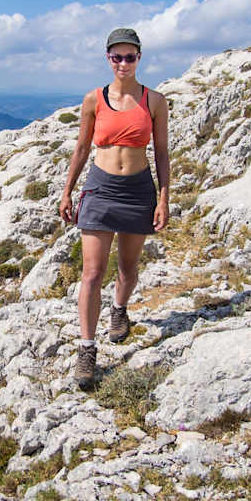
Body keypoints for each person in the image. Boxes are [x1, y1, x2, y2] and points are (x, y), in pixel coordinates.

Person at [59, 27, 170, 390]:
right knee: (92, 273)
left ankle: (119, 310)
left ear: (139, 58)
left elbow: (163, 152)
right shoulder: (94, 99)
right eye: (117, 57)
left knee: (128, 267)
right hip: (100, 188)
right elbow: (80, 148)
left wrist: (165, 197)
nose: (123, 63)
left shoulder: (155, 101)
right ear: (108, 59)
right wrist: (67, 191)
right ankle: (87, 349)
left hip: (138, 189)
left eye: (130, 56)